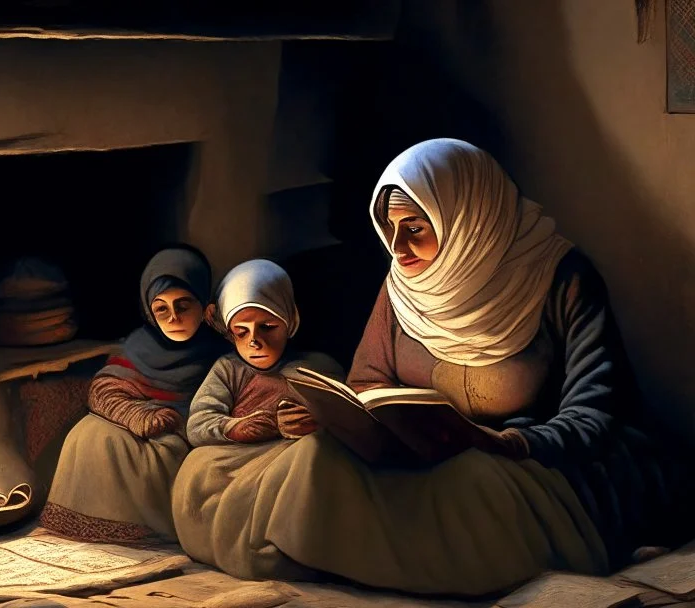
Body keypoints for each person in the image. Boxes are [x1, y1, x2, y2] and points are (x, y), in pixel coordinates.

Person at [170, 139, 692, 596]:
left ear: (467, 217)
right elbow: (367, 382)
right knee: (311, 460)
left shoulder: (561, 278)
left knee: (470, 482)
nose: (398, 249)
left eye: (415, 228)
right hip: (414, 455)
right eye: (390, 229)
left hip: (526, 461)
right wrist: (339, 419)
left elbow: (594, 413)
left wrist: (513, 442)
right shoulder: (402, 285)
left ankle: (385, 568)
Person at [40, 245, 227, 543]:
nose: (173, 318)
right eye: (161, 308)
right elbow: (105, 388)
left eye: (184, 305)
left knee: (122, 444)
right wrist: (138, 415)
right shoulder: (140, 345)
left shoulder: (222, 351)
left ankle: (142, 533)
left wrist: (170, 421)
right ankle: (90, 531)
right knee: (89, 431)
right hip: (142, 422)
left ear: (203, 302)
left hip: (184, 437)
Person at [186, 259, 344, 447]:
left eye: (267, 327)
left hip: (293, 453)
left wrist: (311, 420)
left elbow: (346, 419)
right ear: (230, 332)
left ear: (290, 322)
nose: (254, 341)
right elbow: (197, 425)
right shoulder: (228, 369)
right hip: (236, 455)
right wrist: (235, 428)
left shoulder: (318, 367)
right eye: (241, 332)